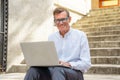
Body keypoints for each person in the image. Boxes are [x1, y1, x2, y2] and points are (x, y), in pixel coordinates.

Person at [24, 7, 91, 80]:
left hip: (74, 72)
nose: (61, 23)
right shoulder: (51, 37)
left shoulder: (80, 35)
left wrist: (68, 64)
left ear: (69, 19)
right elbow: (49, 60)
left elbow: (86, 63)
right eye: (57, 20)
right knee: (33, 70)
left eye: (63, 19)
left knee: (58, 70)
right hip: (55, 72)